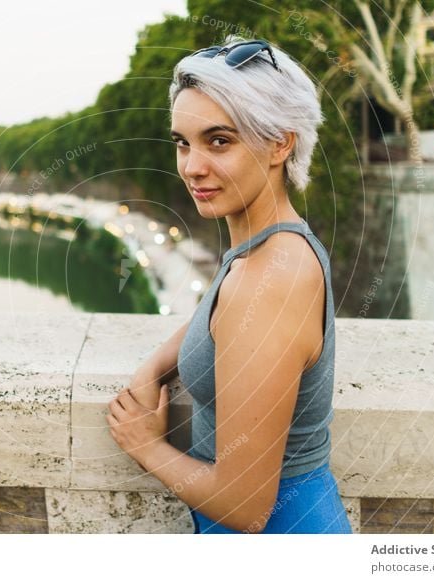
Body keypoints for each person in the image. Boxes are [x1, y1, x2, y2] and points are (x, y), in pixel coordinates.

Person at [106, 36, 351, 534]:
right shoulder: (263, 247)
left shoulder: (273, 276)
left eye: (220, 141)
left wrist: (144, 444)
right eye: (183, 141)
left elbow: (245, 506)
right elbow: (221, 319)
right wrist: (155, 365)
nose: (192, 166)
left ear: (280, 143)